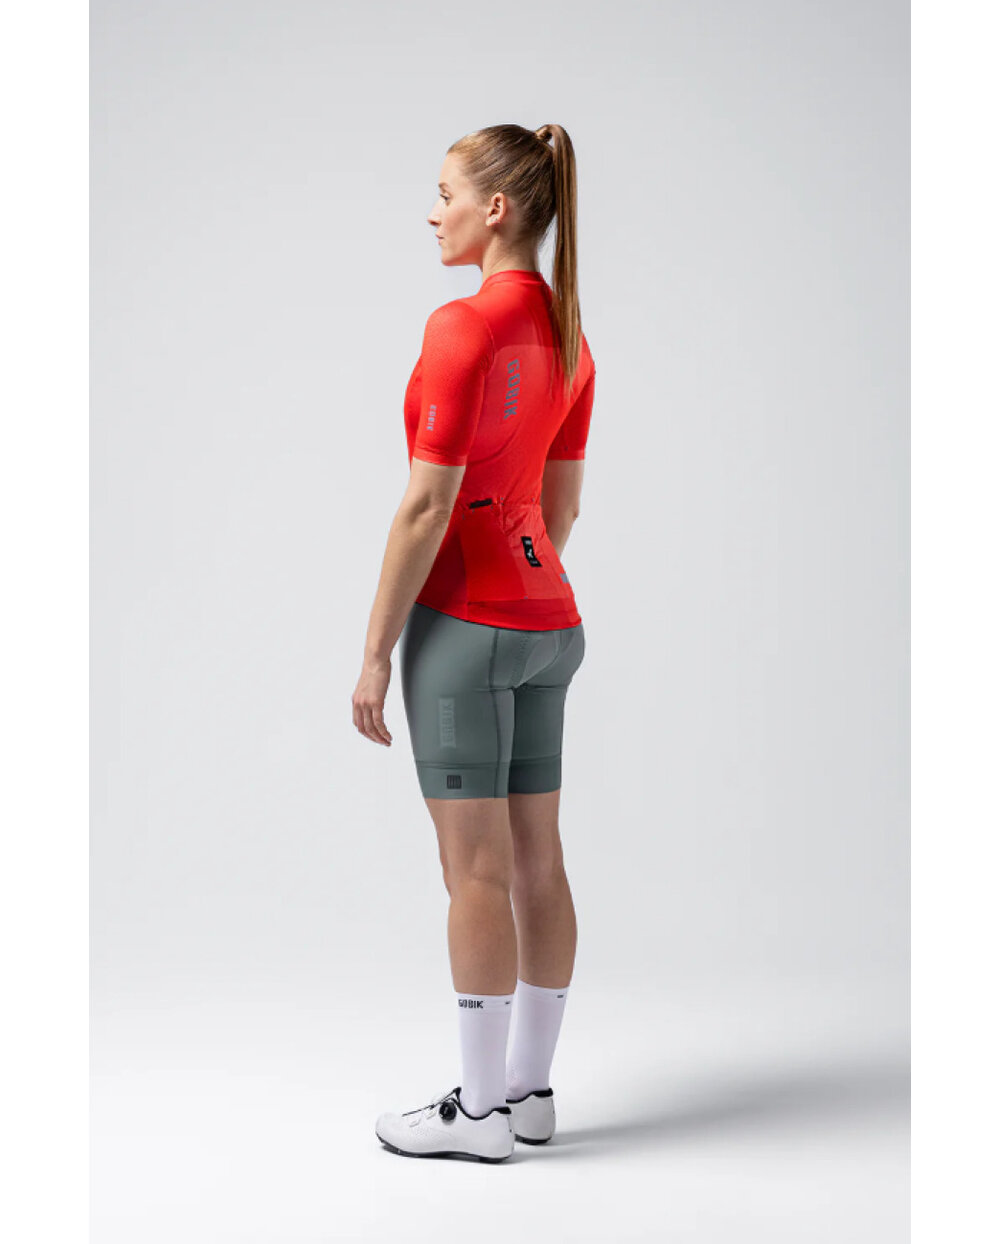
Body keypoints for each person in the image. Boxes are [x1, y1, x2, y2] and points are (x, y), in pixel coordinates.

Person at [351, 123, 596, 1163]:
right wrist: (519, 578)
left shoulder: (463, 326)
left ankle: (480, 1113)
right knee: (539, 858)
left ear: (495, 209)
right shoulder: (570, 334)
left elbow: (426, 506)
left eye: (444, 193)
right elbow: (561, 506)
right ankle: (531, 1094)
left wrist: (376, 652)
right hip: (550, 620)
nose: (432, 211)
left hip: (465, 628)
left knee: (476, 873)